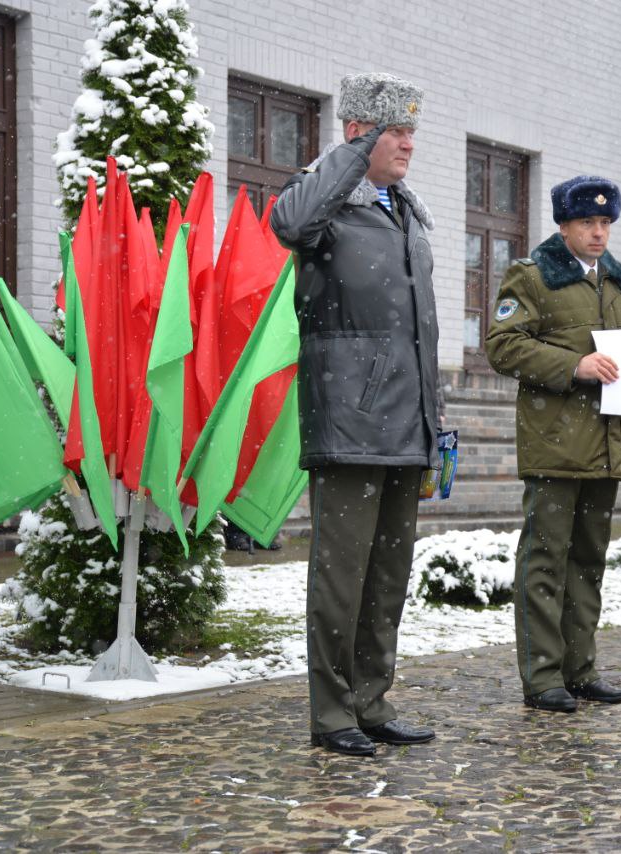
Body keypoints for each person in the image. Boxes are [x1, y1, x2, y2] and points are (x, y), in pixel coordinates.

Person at [270, 72, 440, 757]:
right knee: (341, 579)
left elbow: (419, 331)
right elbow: (287, 222)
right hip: (350, 420)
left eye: (409, 132)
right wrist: (347, 156)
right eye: (393, 131)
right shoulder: (325, 205)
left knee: (387, 576)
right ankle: (332, 713)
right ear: (357, 133)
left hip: (407, 422)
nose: (406, 144)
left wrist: (437, 421)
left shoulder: (404, 211)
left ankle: (372, 700)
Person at [485, 176, 621, 713]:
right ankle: (543, 677)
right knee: (545, 561)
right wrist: (574, 366)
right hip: (555, 444)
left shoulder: (618, 283)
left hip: (608, 444)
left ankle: (580, 669)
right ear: (563, 225)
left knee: (588, 562)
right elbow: (503, 345)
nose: (598, 232)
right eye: (587, 222)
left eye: (606, 223)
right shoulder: (534, 277)